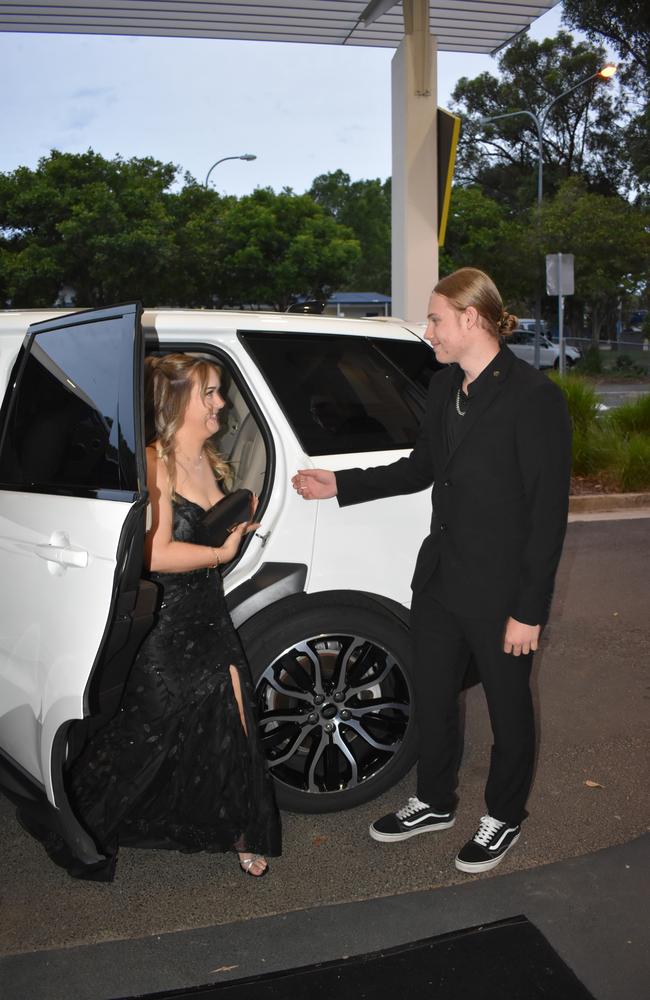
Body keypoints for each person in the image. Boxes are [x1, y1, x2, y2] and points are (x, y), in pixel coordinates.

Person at [292, 267, 571, 874]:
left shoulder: (533, 397)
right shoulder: (446, 388)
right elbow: (419, 468)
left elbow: (548, 517)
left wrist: (530, 610)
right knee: (434, 695)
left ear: (471, 318)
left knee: (508, 707)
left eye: (437, 319)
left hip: (501, 593)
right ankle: (435, 800)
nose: (429, 331)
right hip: (441, 578)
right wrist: (339, 484)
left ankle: (504, 817)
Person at [65, 353, 281, 880]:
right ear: (177, 400)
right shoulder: (154, 463)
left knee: (233, 715)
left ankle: (241, 830)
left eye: (219, 392)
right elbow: (153, 554)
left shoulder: (211, 457)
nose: (221, 403)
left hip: (209, 609)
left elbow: (202, 529)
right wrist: (220, 553)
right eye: (209, 392)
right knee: (150, 730)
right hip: (166, 620)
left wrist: (231, 529)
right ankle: (80, 820)